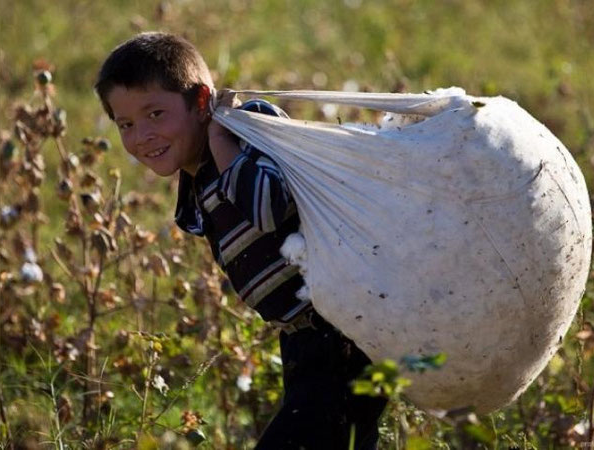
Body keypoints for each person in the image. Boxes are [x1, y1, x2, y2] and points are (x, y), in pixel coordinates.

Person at [94, 32, 387, 449]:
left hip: (340, 333)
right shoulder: (197, 180)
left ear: (200, 103)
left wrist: (220, 138)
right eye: (126, 124)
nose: (141, 136)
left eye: (155, 114)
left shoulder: (249, 132)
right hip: (302, 340)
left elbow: (268, 209)